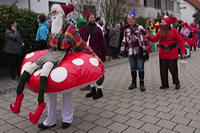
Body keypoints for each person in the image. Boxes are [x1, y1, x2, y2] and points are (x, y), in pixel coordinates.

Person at [10, 3, 95, 128]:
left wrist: (93, 54)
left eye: (55, 13)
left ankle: (67, 118)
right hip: (52, 57)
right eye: (52, 13)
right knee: (49, 89)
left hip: (66, 59)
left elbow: (80, 44)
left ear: (62, 14)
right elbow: (50, 45)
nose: (53, 15)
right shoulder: (51, 27)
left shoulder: (70, 28)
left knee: (67, 90)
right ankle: (50, 120)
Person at [147, 16, 186, 90]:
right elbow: (155, 39)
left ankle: (176, 82)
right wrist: (147, 37)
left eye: (163, 22)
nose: (161, 23)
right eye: (161, 22)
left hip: (172, 53)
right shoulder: (160, 31)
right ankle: (165, 84)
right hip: (163, 53)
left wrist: (183, 51)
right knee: (163, 69)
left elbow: (180, 41)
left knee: (173, 68)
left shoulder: (174, 30)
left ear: (167, 24)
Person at [79, 9, 109, 99]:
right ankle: (93, 89)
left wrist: (106, 54)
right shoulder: (83, 29)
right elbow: (79, 41)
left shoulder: (98, 29)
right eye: (90, 17)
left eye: (93, 17)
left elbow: (103, 42)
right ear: (88, 19)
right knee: (90, 72)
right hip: (86, 54)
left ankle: (99, 90)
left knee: (99, 72)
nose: (92, 19)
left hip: (97, 53)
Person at [120, 8, 148, 92]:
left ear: (134, 19)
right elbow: (124, 40)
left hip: (139, 51)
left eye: (131, 19)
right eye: (128, 19)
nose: (130, 20)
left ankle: (142, 84)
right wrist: (122, 50)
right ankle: (134, 83)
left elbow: (144, 40)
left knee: (140, 67)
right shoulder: (126, 30)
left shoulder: (140, 28)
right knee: (132, 68)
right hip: (130, 51)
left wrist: (145, 51)